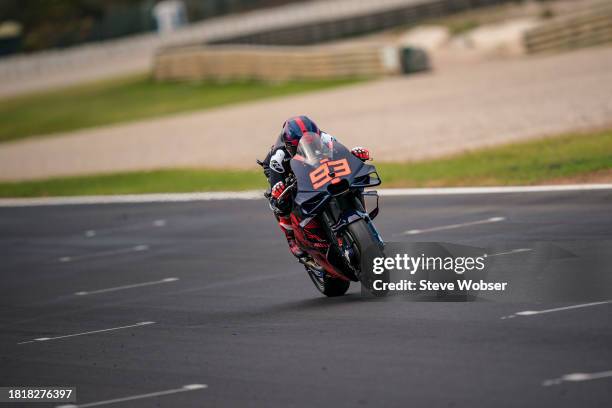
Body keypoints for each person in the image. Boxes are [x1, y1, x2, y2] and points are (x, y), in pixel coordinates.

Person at [260, 115, 370, 260]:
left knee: (345, 179)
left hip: (316, 164)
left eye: (314, 143)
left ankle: (359, 211)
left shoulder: (325, 138)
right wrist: (278, 190)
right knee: (281, 201)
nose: (307, 148)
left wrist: (355, 156)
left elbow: (342, 156)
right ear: (288, 146)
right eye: (298, 147)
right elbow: (276, 191)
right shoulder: (278, 157)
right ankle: (291, 236)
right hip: (286, 171)